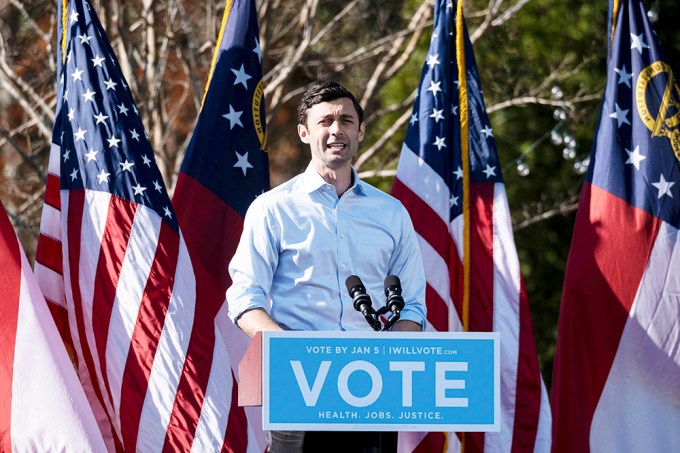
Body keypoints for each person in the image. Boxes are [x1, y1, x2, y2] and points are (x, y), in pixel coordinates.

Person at [226, 81, 427, 452]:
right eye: (325, 121)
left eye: (346, 121)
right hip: (298, 389)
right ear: (304, 132)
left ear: (360, 131)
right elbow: (244, 298)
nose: (337, 130)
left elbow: (412, 305)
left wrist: (387, 357)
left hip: (374, 392)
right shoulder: (272, 209)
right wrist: (291, 350)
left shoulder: (391, 213)